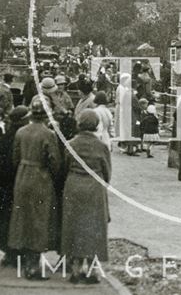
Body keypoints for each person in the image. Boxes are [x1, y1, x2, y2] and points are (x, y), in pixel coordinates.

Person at [8, 97, 62, 280]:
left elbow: (14, 158)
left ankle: (25, 262)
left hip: (22, 177)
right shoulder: (49, 134)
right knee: (39, 221)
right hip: (41, 178)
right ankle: (34, 266)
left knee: (23, 220)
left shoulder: (21, 132)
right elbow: (54, 162)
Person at [61, 110, 111, 284]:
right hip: (94, 188)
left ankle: (74, 270)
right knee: (92, 228)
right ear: (96, 125)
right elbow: (107, 172)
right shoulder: (102, 146)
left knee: (73, 227)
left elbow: (64, 167)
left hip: (73, 186)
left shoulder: (70, 144)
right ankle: (90, 271)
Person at [0, 105, 29, 267]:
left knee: (5, 219)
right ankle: (18, 253)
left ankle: (8, 254)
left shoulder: (7, 135)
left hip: (5, 186)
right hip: (18, 183)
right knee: (18, 219)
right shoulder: (23, 135)